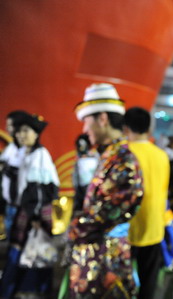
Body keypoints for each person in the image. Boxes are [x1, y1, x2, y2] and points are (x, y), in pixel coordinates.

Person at [67, 83, 143, 298]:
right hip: (98, 259)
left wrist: (76, 226)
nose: (84, 130)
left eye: (86, 122)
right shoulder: (110, 156)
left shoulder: (123, 159)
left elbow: (116, 206)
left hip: (107, 262)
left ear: (102, 118)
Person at [0, 112, 60, 298]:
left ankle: (24, 290)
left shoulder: (40, 155)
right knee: (25, 253)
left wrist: (34, 217)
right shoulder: (25, 152)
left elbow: (42, 189)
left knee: (30, 254)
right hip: (25, 210)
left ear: (36, 134)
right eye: (19, 131)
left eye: (26, 131)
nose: (21, 135)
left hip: (33, 214)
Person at [123, 106, 170, 299]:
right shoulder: (162, 155)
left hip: (126, 230)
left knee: (122, 284)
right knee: (148, 284)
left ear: (126, 128)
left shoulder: (123, 154)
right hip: (154, 227)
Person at [0, 110, 28, 239]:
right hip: (9, 203)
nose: (6, 128)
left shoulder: (26, 149)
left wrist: (7, 168)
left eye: (10, 125)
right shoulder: (11, 147)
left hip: (20, 205)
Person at [71, 133, 99, 215]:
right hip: (81, 192)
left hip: (94, 190)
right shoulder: (78, 161)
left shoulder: (96, 157)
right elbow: (75, 178)